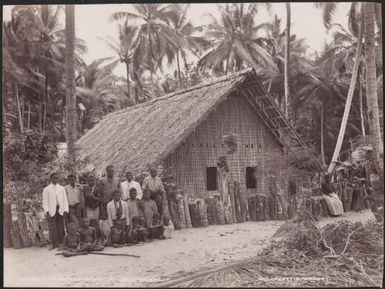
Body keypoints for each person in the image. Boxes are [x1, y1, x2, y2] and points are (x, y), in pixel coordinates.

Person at [43, 172, 69, 250]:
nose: (55, 180)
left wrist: (65, 210)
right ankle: (53, 244)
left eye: (56, 178)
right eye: (54, 178)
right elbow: (45, 201)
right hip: (51, 210)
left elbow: (65, 200)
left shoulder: (61, 188)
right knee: (52, 228)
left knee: (60, 227)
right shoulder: (47, 189)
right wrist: (47, 211)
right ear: (51, 179)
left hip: (60, 209)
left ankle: (61, 243)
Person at [98, 165, 121, 245]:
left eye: (112, 171)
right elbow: (100, 194)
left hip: (114, 204)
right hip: (105, 203)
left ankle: (115, 239)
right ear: (107, 171)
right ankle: (107, 239)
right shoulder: (102, 180)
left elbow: (119, 191)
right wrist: (102, 205)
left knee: (115, 220)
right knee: (106, 221)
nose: (111, 172)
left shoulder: (117, 179)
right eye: (109, 171)